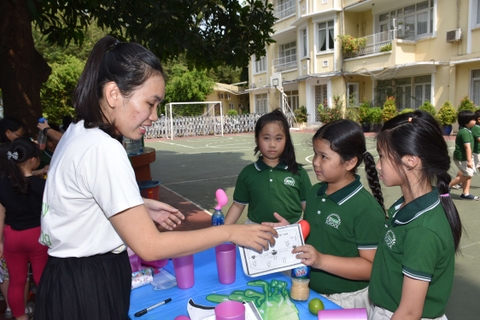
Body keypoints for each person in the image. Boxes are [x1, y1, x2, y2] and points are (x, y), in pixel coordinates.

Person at [34, 35, 277, 320]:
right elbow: (149, 246)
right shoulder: (104, 148)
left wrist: (138, 205)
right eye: (150, 103)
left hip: (65, 280)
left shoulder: (78, 132)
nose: (155, 115)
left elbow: (80, 198)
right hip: (88, 284)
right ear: (114, 94)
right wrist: (231, 232)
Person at [270, 119, 386, 311]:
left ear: (350, 162)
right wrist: (289, 232)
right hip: (310, 291)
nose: (315, 162)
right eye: (315, 154)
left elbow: (371, 268)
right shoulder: (316, 192)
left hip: (347, 302)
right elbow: (313, 229)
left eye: (324, 156)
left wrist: (321, 260)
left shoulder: (365, 208)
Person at [369, 111, 462, 320]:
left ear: (411, 160)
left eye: (382, 156)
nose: (378, 164)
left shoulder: (422, 230)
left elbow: (410, 312)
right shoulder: (406, 205)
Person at [224, 109, 312, 225]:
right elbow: (237, 206)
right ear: (257, 139)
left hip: (291, 230)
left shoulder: (298, 172)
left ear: (286, 140)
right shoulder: (248, 173)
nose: (272, 144)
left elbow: (308, 207)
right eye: (266, 138)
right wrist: (221, 232)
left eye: (278, 138)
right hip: (256, 232)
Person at [0, 138, 49, 320]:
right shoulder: (42, 185)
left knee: (16, 281)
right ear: (33, 160)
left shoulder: (3, 184)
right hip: (37, 236)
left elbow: (0, 215)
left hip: (12, 236)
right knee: (41, 278)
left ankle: (20, 317)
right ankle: (47, 313)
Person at [448, 110, 478, 200]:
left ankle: (466, 193)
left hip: (466, 157)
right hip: (463, 158)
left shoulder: (468, 130)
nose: (475, 121)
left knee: (468, 174)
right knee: (468, 174)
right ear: (466, 121)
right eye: (473, 119)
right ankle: (447, 186)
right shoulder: (464, 132)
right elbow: (467, 147)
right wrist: (469, 160)